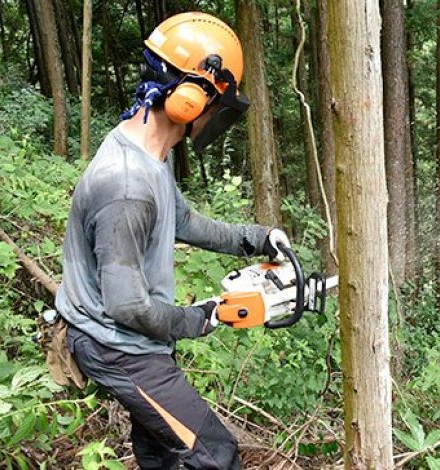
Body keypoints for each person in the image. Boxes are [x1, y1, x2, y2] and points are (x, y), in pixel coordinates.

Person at [55, 12, 289, 469]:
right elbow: (128, 307)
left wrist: (258, 238)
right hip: (116, 345)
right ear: (191, 98)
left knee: (162, 453)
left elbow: (183, 221)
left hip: (130, 338)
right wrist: (198, 319)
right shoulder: (125, 185)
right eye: (217, 103)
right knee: (215, 453)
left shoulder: (147, 153)